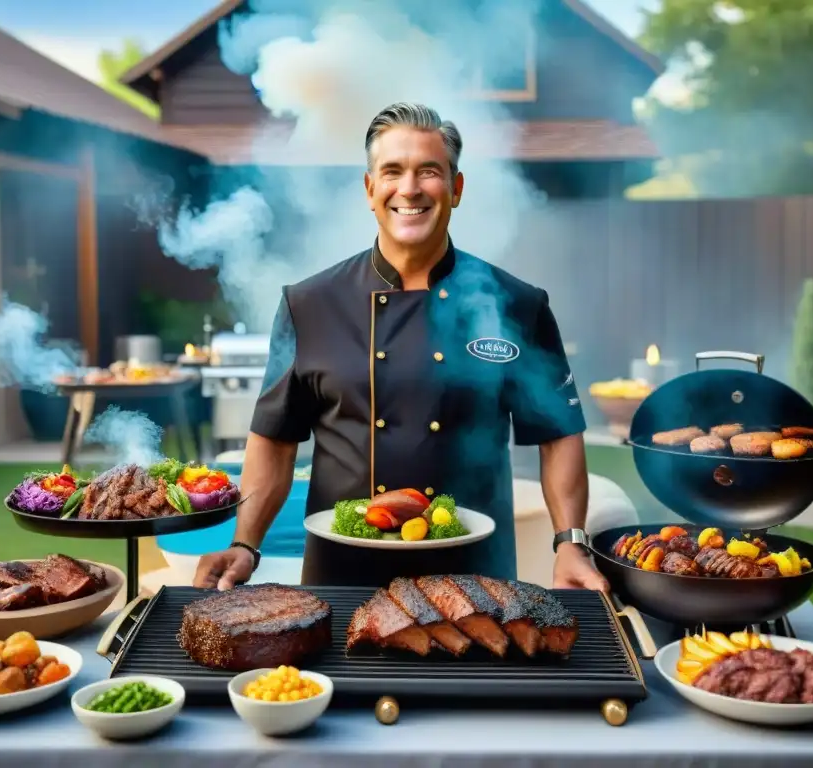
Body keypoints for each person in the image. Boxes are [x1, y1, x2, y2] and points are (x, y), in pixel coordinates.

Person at [194, 102, 609, 592]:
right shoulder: (309, 304)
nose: (409, 188)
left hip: (476, 577)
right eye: (392, 172)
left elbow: (559, 434)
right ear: (371, 191)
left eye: (428, 172)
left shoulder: (516, 304)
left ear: (455, 189)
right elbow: (274, 440)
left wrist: (570, 543)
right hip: (341, 576)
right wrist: (246, 544)